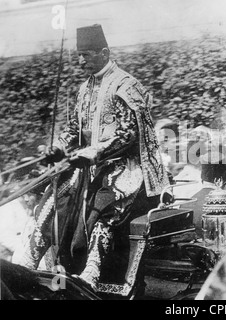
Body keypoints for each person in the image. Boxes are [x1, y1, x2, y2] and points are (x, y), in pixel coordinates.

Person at [16, 24, 169, 290]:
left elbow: (128, 134)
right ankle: (27, 265)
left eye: (86, 54)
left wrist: (95, 152)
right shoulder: (83, 89)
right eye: (79, 55)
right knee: (53, 201)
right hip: (86, 168)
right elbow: (73, 130)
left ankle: (92, 271)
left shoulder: (126, 85)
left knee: (103, 206)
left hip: (124, 167)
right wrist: (59, 148)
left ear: (104, 52)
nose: (80, 60)